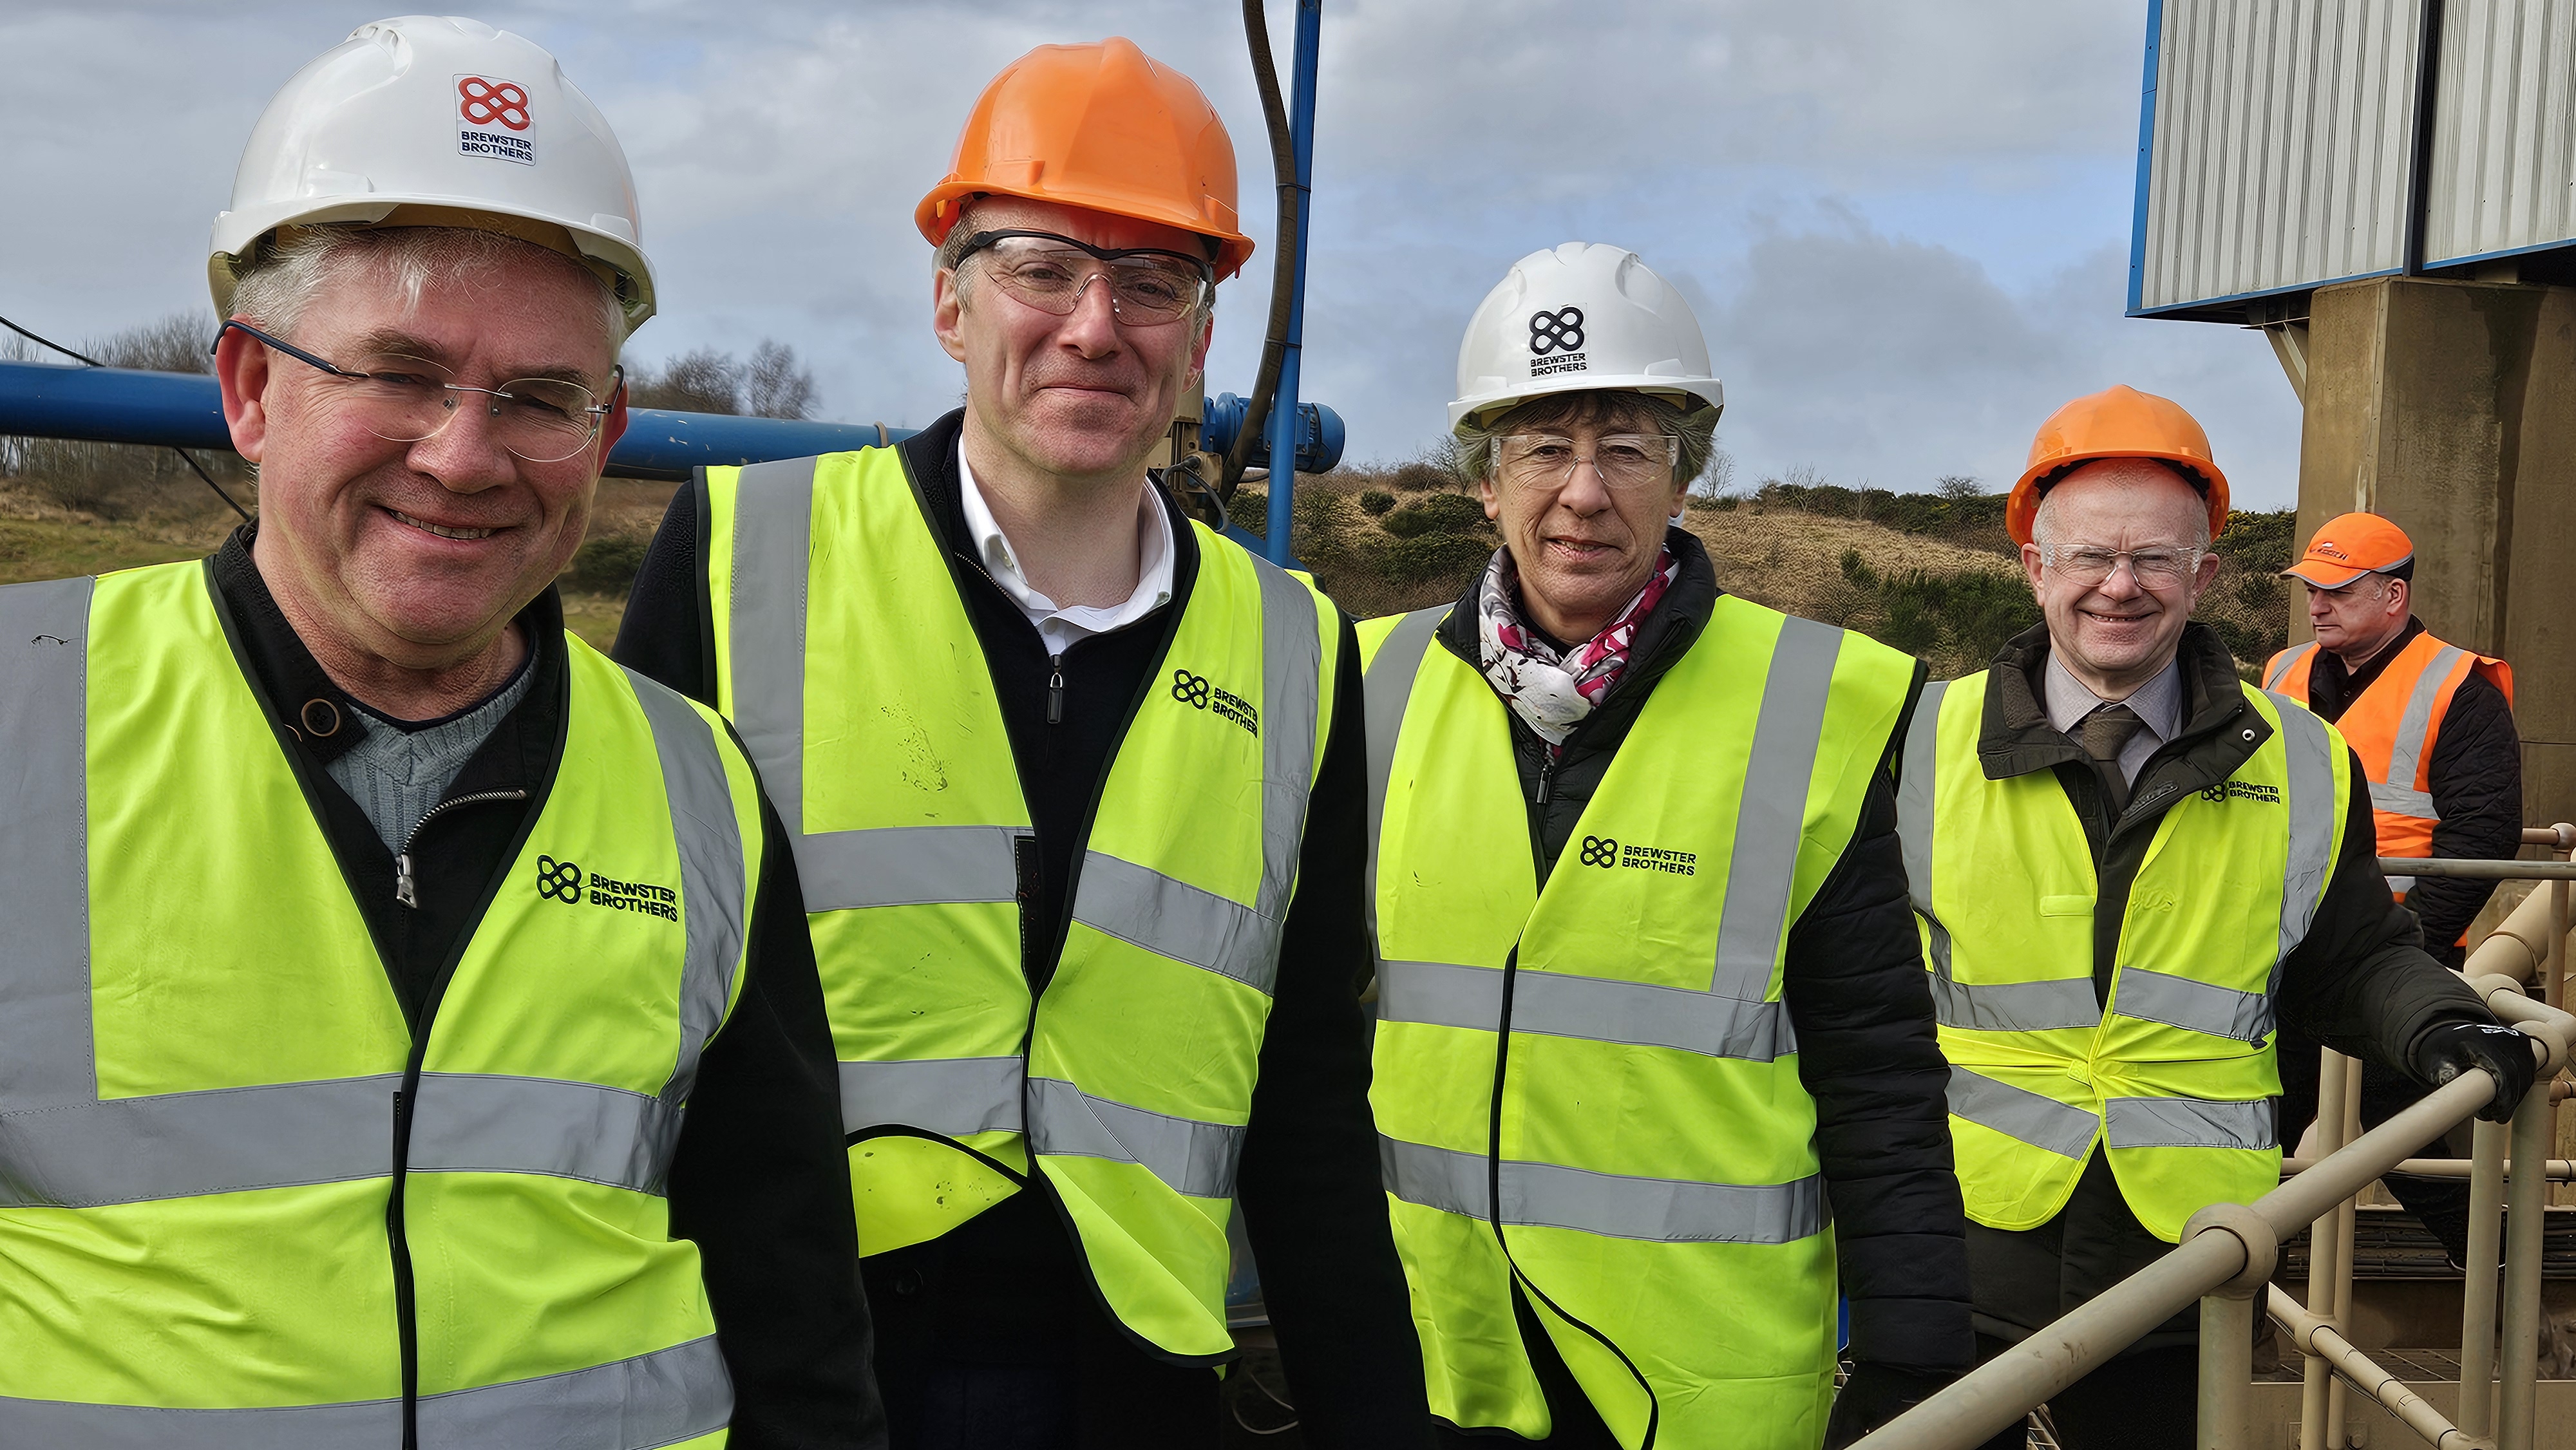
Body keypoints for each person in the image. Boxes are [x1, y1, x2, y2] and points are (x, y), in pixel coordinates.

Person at [0, 17, 877, 1448]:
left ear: (602, 439)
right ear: (250, 388)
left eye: (539, 398)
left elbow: (791, 1308)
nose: (463, 457)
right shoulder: (18, 716)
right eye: (397, 373)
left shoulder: (696, 785)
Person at [613, 37, 1428, 1449]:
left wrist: (1374, 1417)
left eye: (1152, 281)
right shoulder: (746, 557)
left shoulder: (1295, 648)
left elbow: (1303, 1092)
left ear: (1202, 331)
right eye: (1041, 266)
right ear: (950, 300)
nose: (1094, 325)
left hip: (1138, 1377)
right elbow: (619, 1021)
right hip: (792, 1370)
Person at [1359, 242, 1987, 1450]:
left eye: (1628, 450)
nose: (1583, 491)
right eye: (1543, 447)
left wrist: (1917, 1350)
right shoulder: (1372, 687)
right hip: (1436, 1349)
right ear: (1485, 484)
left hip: (1696, 1374)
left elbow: (1878, 1070)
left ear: (1684, 480)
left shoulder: (1814, 705)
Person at [1897, 384, 2539, 1449]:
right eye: (2088, 556)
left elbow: (2357, 952)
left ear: (2204, 576)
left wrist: (2442, 1021)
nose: (2119, 585)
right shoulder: (1916, 741)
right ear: (2033, 568)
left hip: (2185, 1249)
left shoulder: (2301, 759)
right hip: (1958, 1235)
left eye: (2154, 559)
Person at [2262, 512, 2522, 1266]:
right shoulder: (2281, 673)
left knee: (2383, 1126)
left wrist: (2404, 954)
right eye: (2312, 589)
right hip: (2281, 948)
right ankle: (2508, 1287)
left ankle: (2507, 1288)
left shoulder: (2458, 686)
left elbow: (2481, 832)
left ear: (2393, 596)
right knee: (2264, 1130)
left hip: (2384, 954)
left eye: (2338, 591)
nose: (2317, 606)